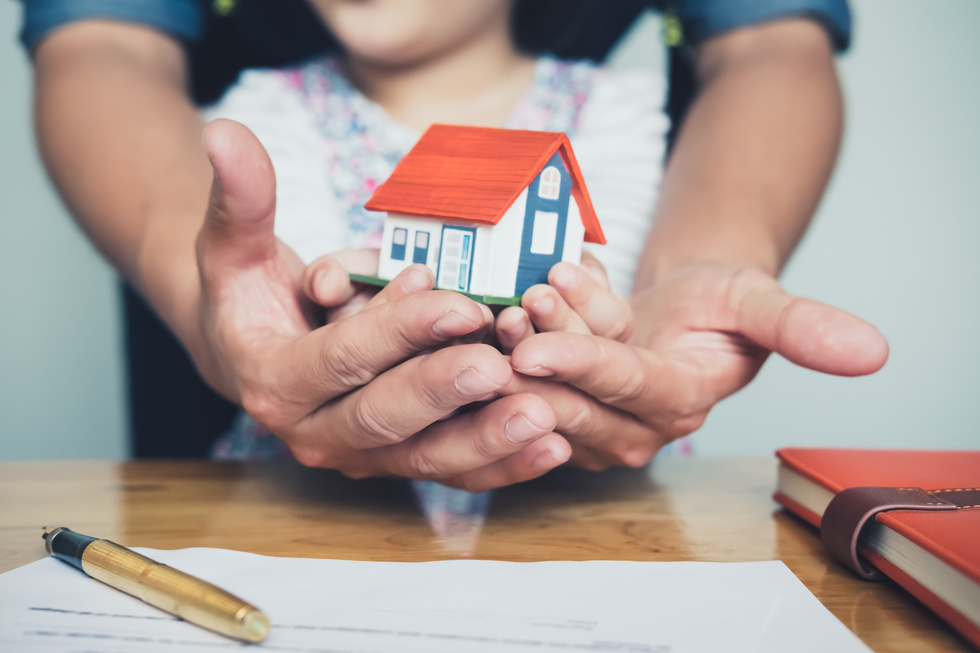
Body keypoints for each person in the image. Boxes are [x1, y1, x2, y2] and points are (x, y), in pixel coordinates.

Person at [21, 0, 888, 491]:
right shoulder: (266, 100)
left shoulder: (613, 109)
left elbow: (603, 276)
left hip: (589, 503)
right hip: (307, 502)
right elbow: (311, 284)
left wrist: (600, 316)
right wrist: (345, 312)